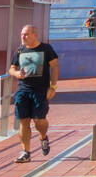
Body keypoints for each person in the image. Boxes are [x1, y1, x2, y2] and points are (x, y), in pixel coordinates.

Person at [9, 25, 59, 163]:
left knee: (39, 120)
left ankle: (43, 136)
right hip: (23, 90)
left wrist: (53, 87)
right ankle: (25, 152)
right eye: (21, 34)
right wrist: (16, 73)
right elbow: (11, 69)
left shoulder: (46, 49)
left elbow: (55, 66)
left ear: (34, 35)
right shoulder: (20, 50)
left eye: (26, 34)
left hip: (40, 90)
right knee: (23, 120)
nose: (23, 37)